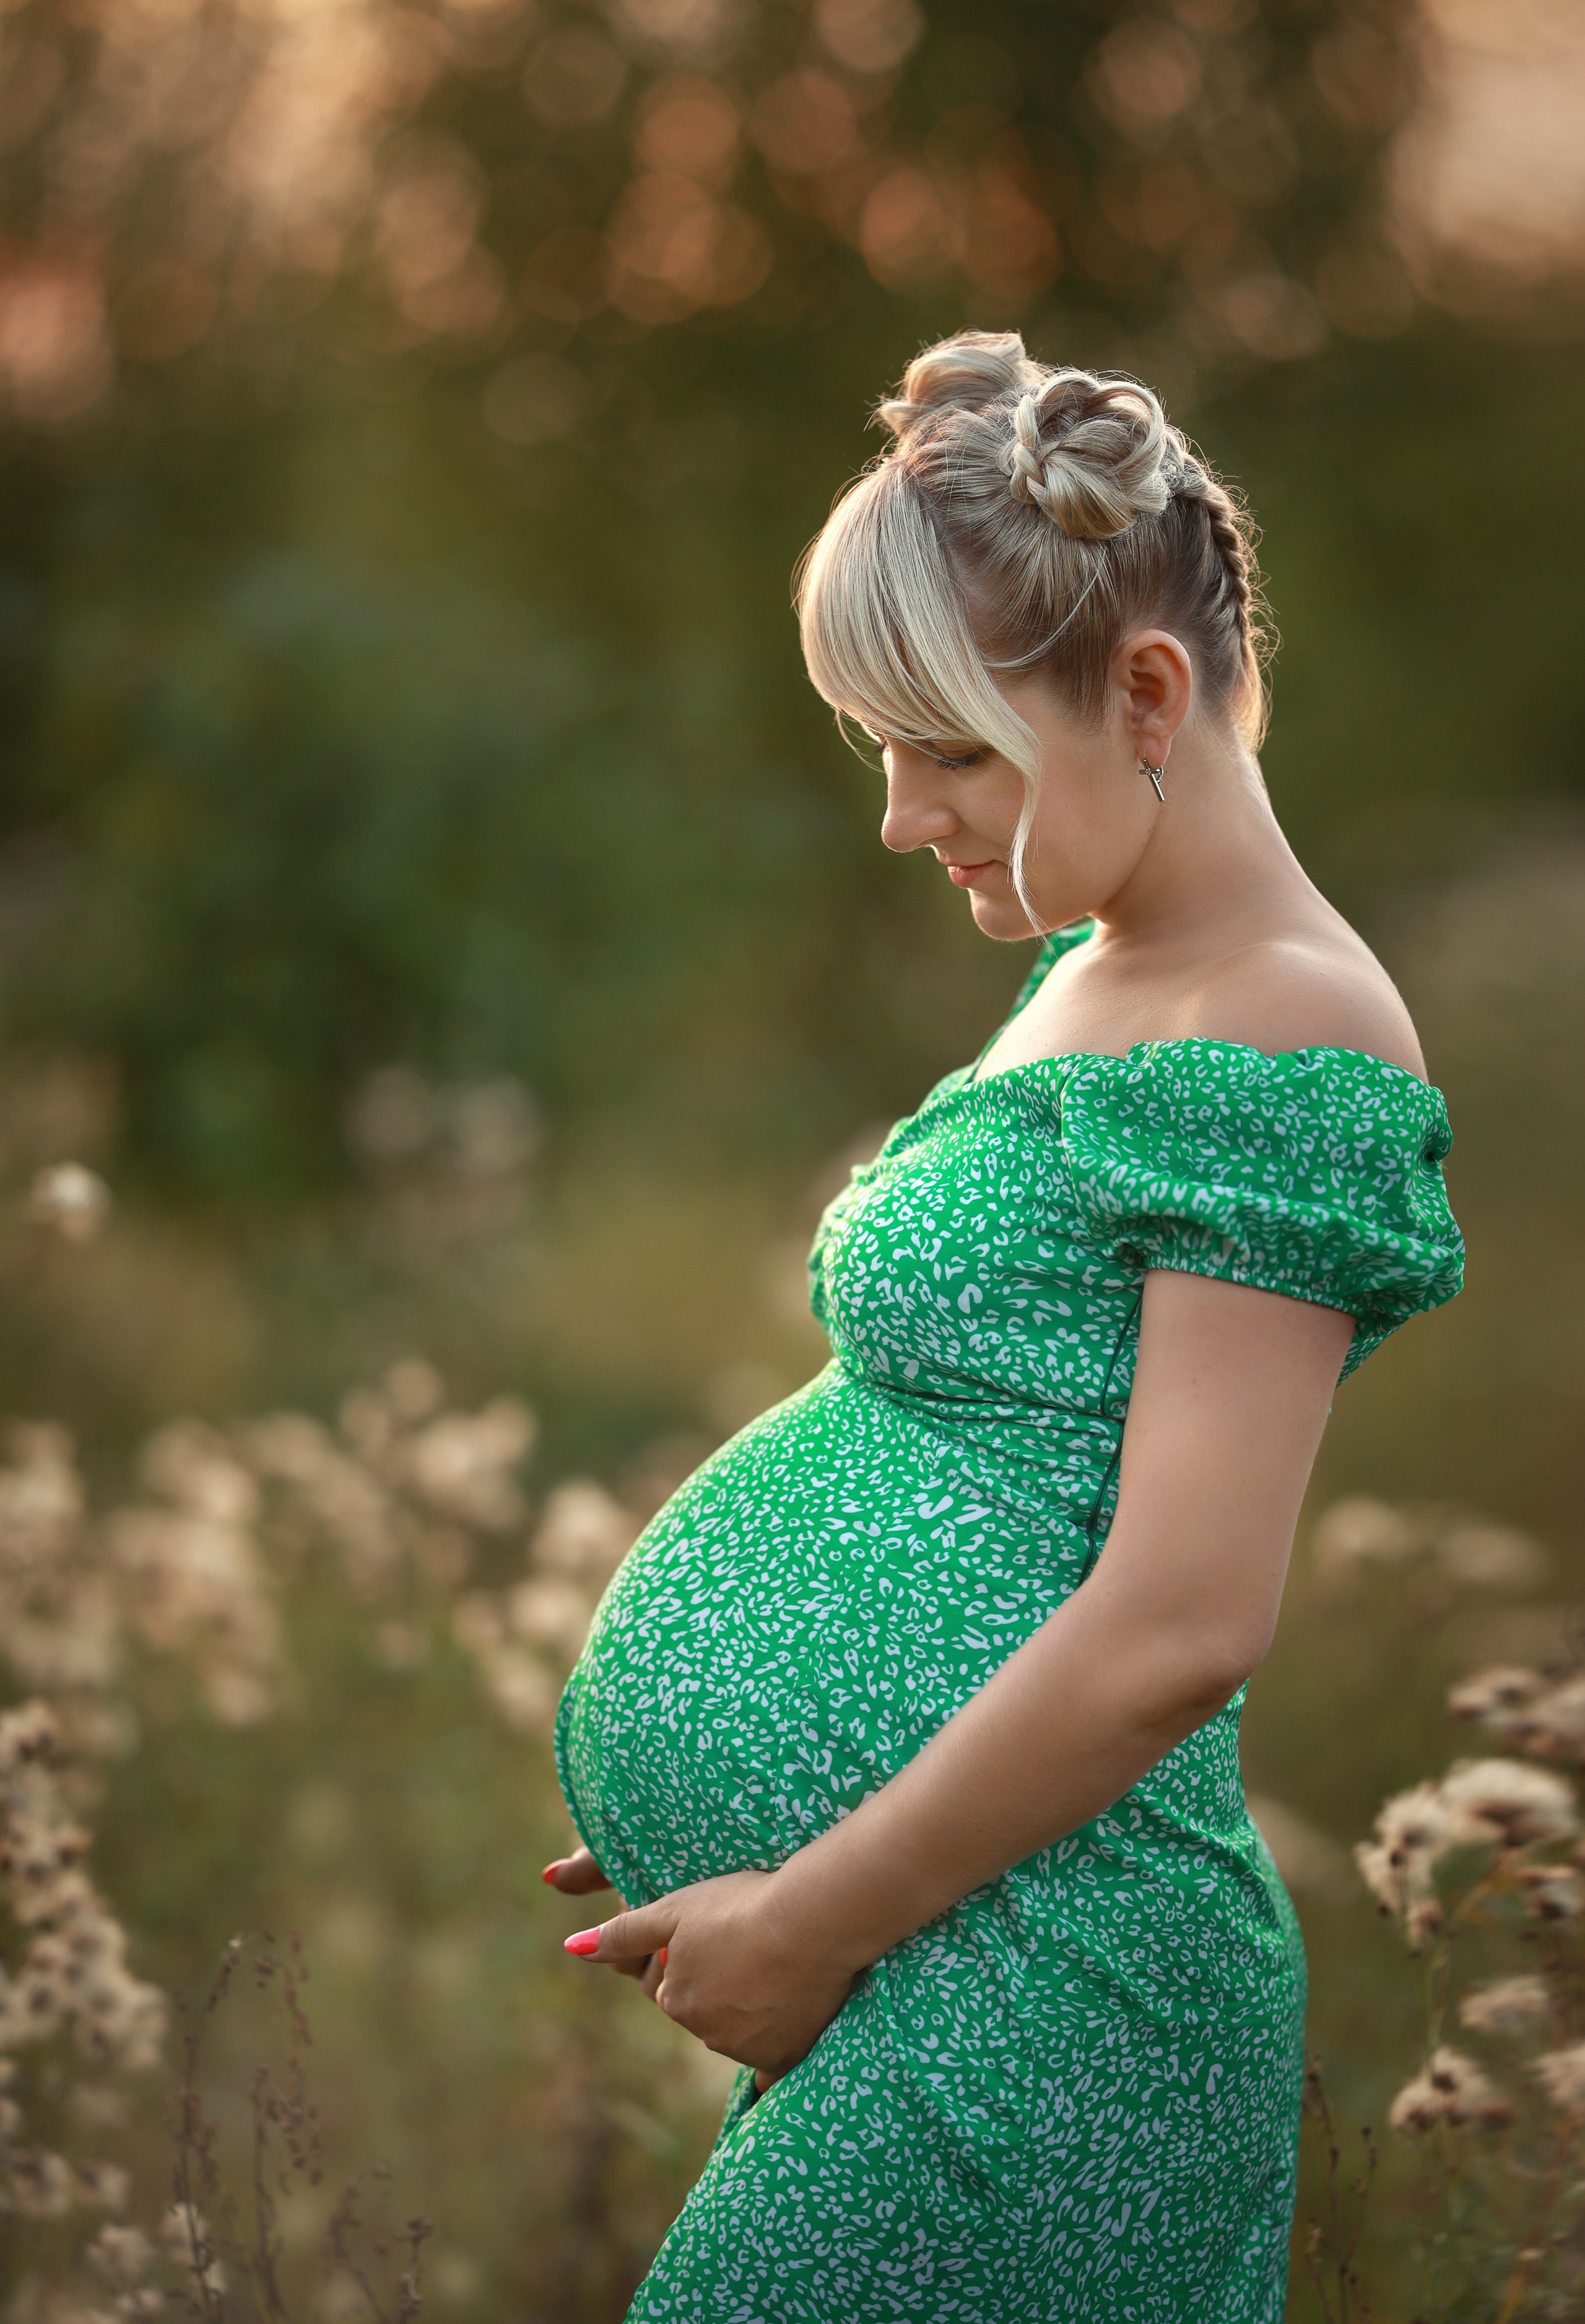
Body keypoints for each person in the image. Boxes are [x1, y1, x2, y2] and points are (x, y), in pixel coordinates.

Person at [542, 331, 1464, 2322]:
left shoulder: (1282, 1022)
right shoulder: (1106, 965)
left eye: (947, 749)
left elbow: (1183, 1621)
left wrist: (810, 1900)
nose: (899, 815)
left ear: (1147, 694)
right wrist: (732, 1790)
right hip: (955, 1950)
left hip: (1059, 2001)